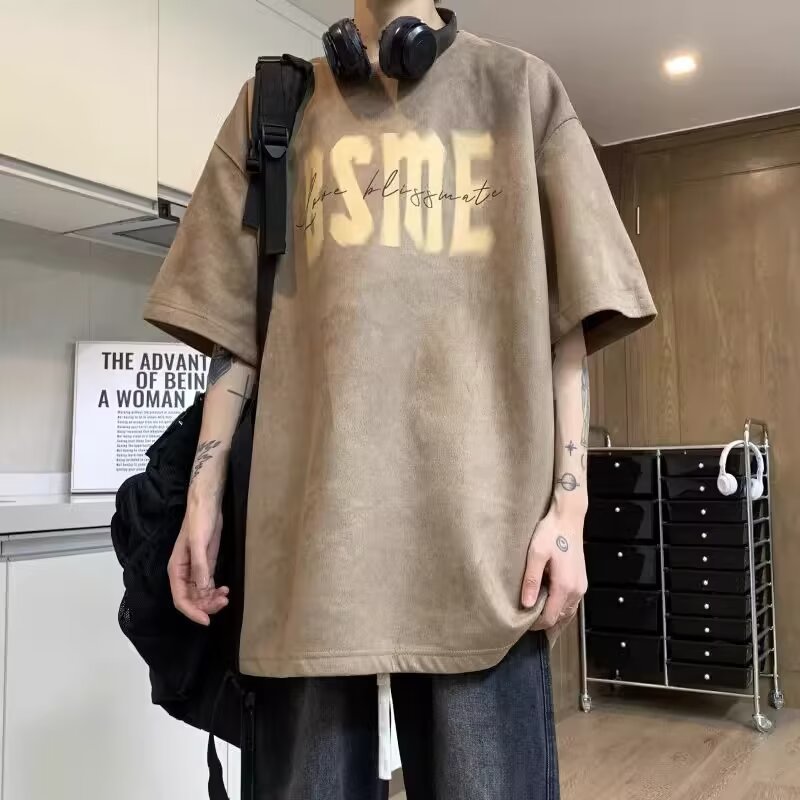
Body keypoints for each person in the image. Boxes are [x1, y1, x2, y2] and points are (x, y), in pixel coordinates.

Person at [143, 0, 657, 797]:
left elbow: (569, 328)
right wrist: (202, 497)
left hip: (484, 552)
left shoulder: (520, 91)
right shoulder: (274, 106)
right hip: (309, 551)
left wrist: (570, 507)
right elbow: (237, 331)